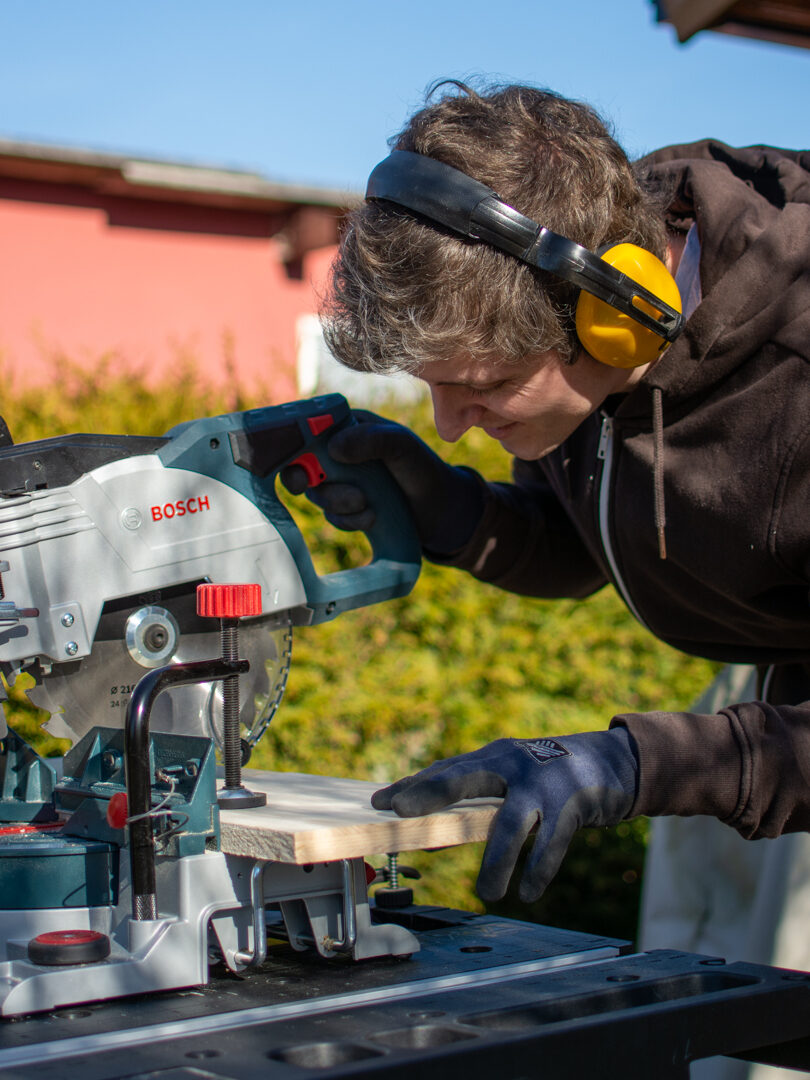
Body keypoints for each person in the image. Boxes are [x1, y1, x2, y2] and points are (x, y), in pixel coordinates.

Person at [284, 81, 810, 912]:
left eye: (483, 384)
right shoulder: (578, 308)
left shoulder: (796, 373)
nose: (450, 425)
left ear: (617, 313)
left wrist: (639, 763)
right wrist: (450, 511)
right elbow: (589, 542)